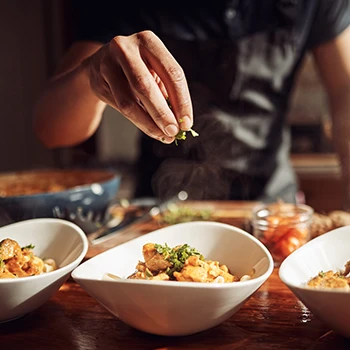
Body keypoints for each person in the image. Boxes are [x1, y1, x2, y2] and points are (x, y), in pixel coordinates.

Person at [34, 0, 350, 206]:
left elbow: (345, 97)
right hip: (162, 210)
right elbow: (52, 131)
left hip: (272, 208)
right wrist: (91, 75)